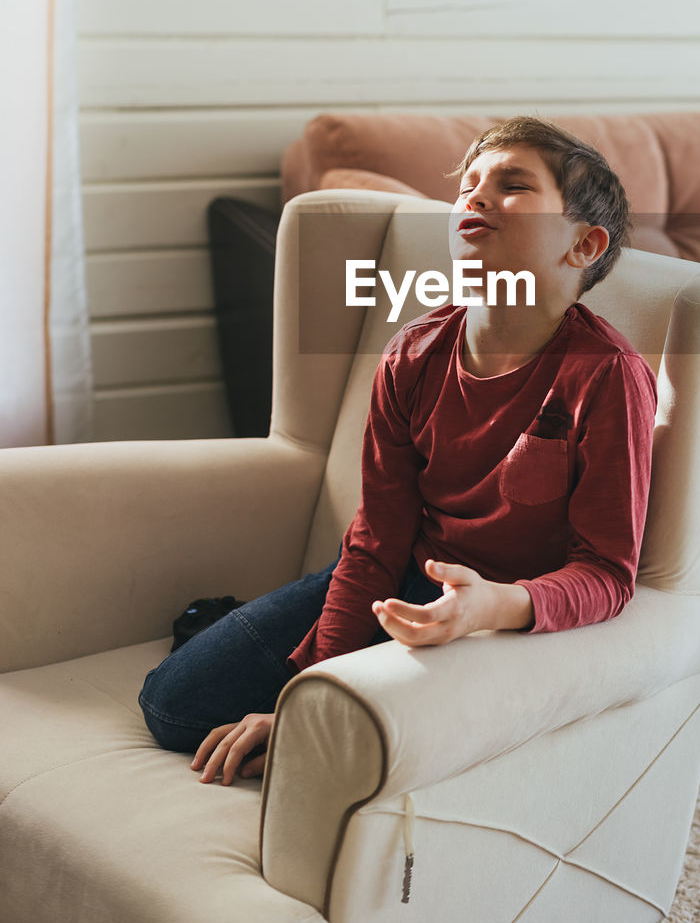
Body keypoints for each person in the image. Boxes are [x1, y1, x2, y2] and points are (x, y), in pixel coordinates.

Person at [139, 117, 657, 786]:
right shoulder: (412, 354)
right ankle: (255, 638)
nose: (475, 196)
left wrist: (493, 606)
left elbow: (607, 575)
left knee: (351, 749)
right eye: (468, 185)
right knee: (172, 707)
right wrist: (311, 689)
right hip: (399, 579)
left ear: (583, 244)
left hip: (497, 617)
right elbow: (377, 538)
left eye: (512, 185)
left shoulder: (604, 374)